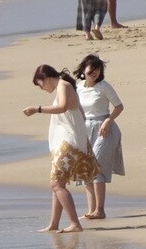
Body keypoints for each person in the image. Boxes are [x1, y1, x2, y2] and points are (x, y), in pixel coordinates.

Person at [23, 65, 98, 233]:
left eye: (40, 84)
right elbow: (79, 113)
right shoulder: (63, 86)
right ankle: (54, 223)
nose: (42, 88)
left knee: (56, 184)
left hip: (69, 142)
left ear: (47, 78)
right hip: (70, 140)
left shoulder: (63, 85)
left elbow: (63, 107)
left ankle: (75, 224)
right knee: (58, 184)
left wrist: (37, 109)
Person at [75, 54, 124, 220]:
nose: (94, 72)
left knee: (97, 167)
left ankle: (100, 210)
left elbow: (119, 106)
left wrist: (108, 121)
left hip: (105, 129)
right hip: (85, 129)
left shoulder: (104, 86)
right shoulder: (78, 87)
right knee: (87, 170)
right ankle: (91, 210)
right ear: (83, 69)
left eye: (97, 69)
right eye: (91, 69)